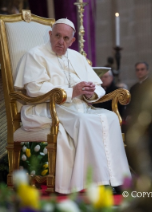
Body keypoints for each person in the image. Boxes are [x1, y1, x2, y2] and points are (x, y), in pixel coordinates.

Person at [14, 18, 131, 194]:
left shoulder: (77, 57)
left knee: (112, 117)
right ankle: (97, 182)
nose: (61, 42)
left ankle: (118, 178)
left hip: (78, 107)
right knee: (85, 121)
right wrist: (71, 92)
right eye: (57, 36)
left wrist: (91, 92)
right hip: (47, 108)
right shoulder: (35, 55)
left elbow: (98, 87)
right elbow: (34, 89)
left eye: (66, 38)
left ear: (72, 40)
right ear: (50, 35)